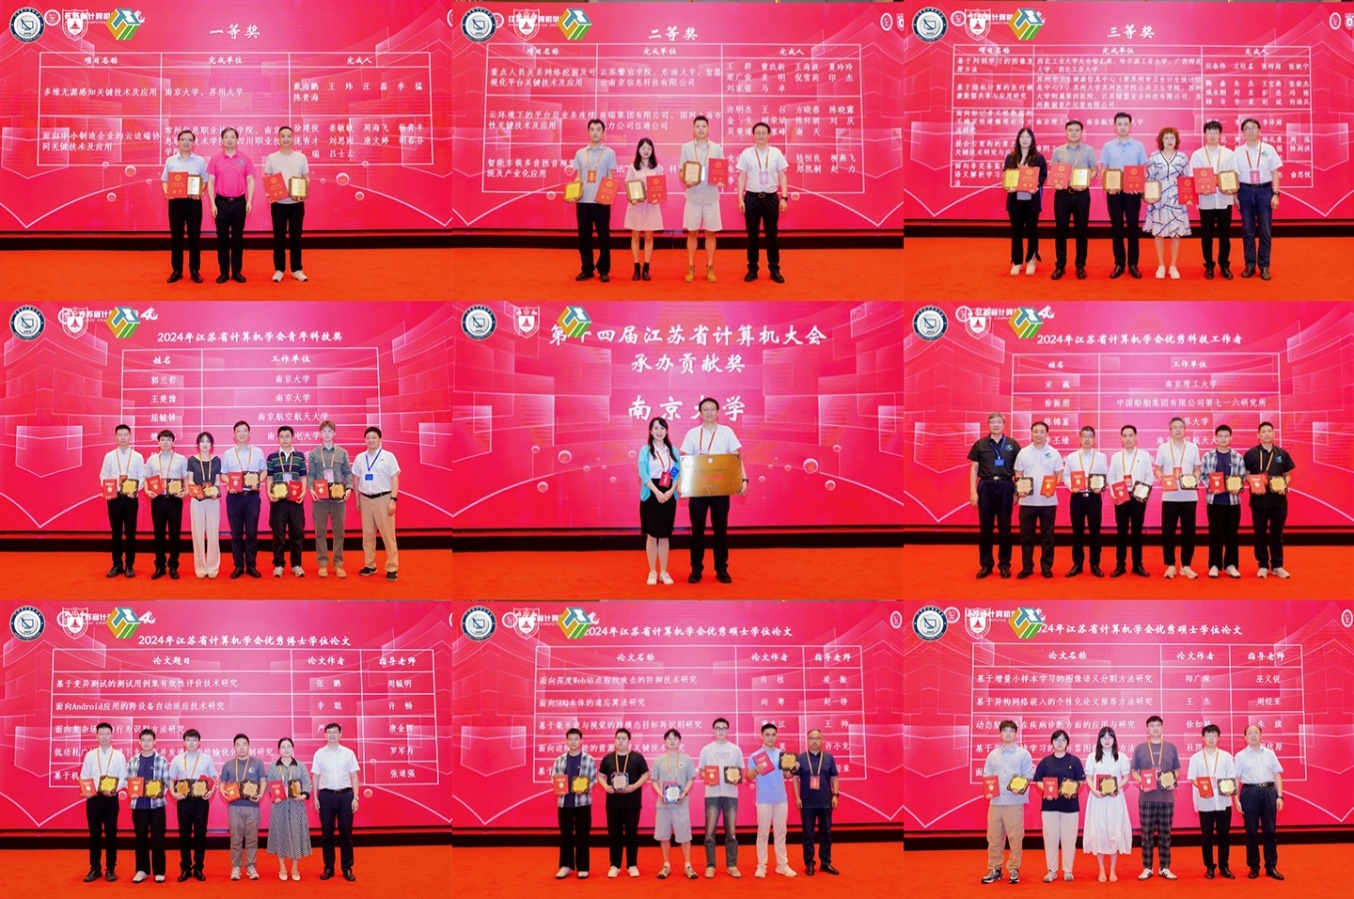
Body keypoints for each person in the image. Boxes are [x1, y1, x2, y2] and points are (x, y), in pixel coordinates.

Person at [679, 398, 746, 583]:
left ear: (718, 412)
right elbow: (685, 461)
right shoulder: (692, 433)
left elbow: (736, 458)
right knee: (697, 532)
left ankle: (721, 569)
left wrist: (744, 479)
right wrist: (680, 483)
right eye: (705, 409)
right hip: (698, 490)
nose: (709, 412)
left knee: (720, 532)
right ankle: (696, 570)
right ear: (700, 413)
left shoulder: (727, 432)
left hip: (720, 489)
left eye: (712, 409)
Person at [1227, 118, 1282, 280]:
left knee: (1265, 230)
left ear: (1259, 130)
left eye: (1253, 128)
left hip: (1265, 191)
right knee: (1248, 231)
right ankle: (1250, 264)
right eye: (1247, 128)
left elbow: (1274, 173)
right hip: (1244, 191)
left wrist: (1276, 194)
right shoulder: (1238, 152)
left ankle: (1264, 266)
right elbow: (1234, 175)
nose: (1250, 131)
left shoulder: (1269, 149)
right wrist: (1234, 196)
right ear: (1243, 132)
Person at [980, 719, 1033, 884]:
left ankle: (1014, 869)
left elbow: (1028, 775)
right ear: (1000, 734)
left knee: (1015, 838)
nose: (1008, 734)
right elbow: (987, 775)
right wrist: (988, 791)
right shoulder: (993, 755)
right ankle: (995, 869)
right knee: (994, 837)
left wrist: (1020, 787)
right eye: (1005, 731)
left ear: (1016, 734)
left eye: (1011, 731)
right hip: (995, 802)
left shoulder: (1023, 754)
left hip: (1014, 802)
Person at [736, 122, 789, 283]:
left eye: (763, 133)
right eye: (757, 133)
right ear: (753, 136)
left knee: (772, 236)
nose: (760, 136)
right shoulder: (746, 153)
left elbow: (782, 176)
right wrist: (740, 199)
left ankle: (774, 269)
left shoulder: (776, 153)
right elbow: (742, 177)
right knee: (752, 236)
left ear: (769, 135)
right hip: (751, 198)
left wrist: (784, 198)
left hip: (771, 198)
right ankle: (752, 269)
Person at [566, 118, 618, 282]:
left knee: (604, 237)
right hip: (583, 201)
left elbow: (610, 176)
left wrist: (607, 196)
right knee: (584, 238)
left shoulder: (609, 153)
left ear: (603, 132)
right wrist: (573, 192)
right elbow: (578, 176)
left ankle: (604, 270)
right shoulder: (580, 153)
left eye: (598, 129)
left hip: (601, 202)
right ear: (588, 132)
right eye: (592, 129)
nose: (595, 132)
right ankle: (587, 268)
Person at [968, 413, 1020, 579]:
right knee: (986, 527)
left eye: (999, 422)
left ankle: (1004, 564)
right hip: (986, 486)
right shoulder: (980, 444)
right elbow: (974, 468)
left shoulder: (1012, 444)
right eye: (992, 422)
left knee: (1005, 527)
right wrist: (973, 491)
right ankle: (986, 565)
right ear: (988, 424)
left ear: (1004, 424)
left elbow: (1019, 470)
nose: (996, 425)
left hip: (1006, 486)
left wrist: (1017, 491)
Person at [1131, 715, 1182, 880]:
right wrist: (1141, 781)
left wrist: (1172, 780)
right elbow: (1134, 771)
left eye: (1158, 725)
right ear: (1147, 729)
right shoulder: (1140, 748)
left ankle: (1164, 867)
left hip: (1166, 797)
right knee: (1146, 834)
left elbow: (1177, 770)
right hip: (1146, 797)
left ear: (1162, 728)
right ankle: (1147, 868)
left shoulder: (1171, 747)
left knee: (1165, 834)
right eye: (1152, 726)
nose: (1155, 728)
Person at [1244, 421, 1296, 579]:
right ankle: (1263, 565)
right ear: (1258, 435)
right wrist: (1254, 483)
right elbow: (1246, 475)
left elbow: (1288, 475)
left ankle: (1277, 565)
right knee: (1260, 534)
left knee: (1277, 535)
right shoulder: (1251, 453)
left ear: (1274, 433)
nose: (1266, 434)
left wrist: (1283, 485)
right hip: (1259, 502)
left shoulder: (1282, 454)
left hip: (1278, 502)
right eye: (1263, 431)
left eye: (1269, 431)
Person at [1100, 112, 1148, 279]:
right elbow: (1104, 169)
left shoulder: (1139, 146)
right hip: (1114, 194)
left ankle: (1133, 264)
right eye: (1119, 124)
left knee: (1133, 228)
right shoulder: (1108, 146)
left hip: (1132, 194)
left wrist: (1138, 185)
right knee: (1117, 229)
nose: (1122, 127)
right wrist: (1108, 185)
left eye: (1125, 124)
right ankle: (1119, 263)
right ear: (1115, 126)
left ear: (1130, 126)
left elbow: (1143, 168)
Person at [1187, 724, 1238, 879]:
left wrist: (1230, 788)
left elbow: (1232, 776)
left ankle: (1224, 866)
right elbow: (1192, 778)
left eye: (1214, 735)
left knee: (1224, 836)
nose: (1211, 738)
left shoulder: (1226, 756)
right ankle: (1209, 867)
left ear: (1218, 738)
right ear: (1203, 738)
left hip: (1223, 801)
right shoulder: (1196, 758)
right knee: (1207, 836)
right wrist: (1203, 787)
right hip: (1205, 802)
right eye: (1208, 735)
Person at [1032, 730, 1084, 882]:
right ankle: (1052, 870)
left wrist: (1073, 790)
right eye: (1056, 740)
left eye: (1063, 740)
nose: (1060, 743)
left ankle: (1068, 871)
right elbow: (1038, 780)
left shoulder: (1074, 761)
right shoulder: (1045, 762)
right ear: (1052, 743)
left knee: (1069, 839)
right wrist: (1046, 790)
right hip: (1049, 806)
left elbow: (1080, 781)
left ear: (1067, 743)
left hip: (1070, 806)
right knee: (1050, 839)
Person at [1153, 416, 1202, 579]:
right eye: (1175, 427)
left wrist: (1195, 478)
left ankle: (1186, 565)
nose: (1178, 430)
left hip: (1189, 496)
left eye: (1181, 427)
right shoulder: (1163, 448)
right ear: (1169, 431)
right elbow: (1158, 469)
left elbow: (1197, 468)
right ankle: (1171, 565)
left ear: (1185, 430)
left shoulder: (1193, 447)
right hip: (1170, 496)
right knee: (1168, 532)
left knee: (1189, 532)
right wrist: (1162, 478)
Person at [1013, 421, 1063, 579]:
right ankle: (1027, 567)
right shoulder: (1023, 453)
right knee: (1026, 536)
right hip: (1027, 502)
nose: (1038, 434)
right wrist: (1021, 488)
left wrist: (1053, 486)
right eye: (1035, 431)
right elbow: (1018, 473)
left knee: (1047, 537)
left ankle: (1046, 567)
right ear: (1031, 433)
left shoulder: (1054, 453)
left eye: (1042, 431)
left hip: (1048, 502)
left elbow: (1059, 473)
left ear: (1047, 434)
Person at [1049, 119, 1097, 280]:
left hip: (1081, 195)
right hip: (1062, 195)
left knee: (1081, 231)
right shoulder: (1058, 151)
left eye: (1077, 130)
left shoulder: (1088, 150)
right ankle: (1060, 265)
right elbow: (1053, 172)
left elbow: (1094, 170)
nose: (1074, 133)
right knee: (1060, 231)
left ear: (1081, 133)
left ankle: (1080, 265)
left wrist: (1086, 181)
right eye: (1070, 130)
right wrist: (1056, 182)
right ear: (1066, 132)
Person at [311, 723, 360, 881]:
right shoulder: (319, 754)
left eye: (335, 732)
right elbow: (316, 777)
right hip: (326, 796)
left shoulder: (348, 753)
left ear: (340, 734)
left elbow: (354, 776)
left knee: (346, 834)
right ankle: (328, 867)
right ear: (325, 735)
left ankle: (347, 868)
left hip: (346, 796)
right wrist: (315, 797)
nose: (332, 735)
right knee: (327, 834)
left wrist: (356, 797)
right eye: (329, 732)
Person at [206, 126, 255, 283]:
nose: (229, 140)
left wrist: (249, 201)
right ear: (222, 140)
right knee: (222, 239)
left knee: (237, 239)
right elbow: (210, 182)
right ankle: (223, 272)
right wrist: (212, 204)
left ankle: (237, 272)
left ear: (237, 140)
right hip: (221, 203)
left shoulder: (245, 158)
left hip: (239, 203)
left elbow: (250, 180)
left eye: (232, 137)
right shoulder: (215, 159)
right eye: (226, 137)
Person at [1082, 726, 1132, 882]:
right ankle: (1101, 870)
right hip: (1098, 799)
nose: (1107, 740)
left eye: (1110, 737)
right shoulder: (1092, 757)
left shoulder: (1121, 757)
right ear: (1099, 740)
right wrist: (1094, 790)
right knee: (1099, 832)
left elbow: (1126, 777)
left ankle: (1113, 870)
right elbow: (1089, 777)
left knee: (1114, 831)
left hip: (1115, 799)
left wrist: (1119, 787)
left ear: (1115, 739)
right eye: (1104, 737)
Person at [599, 727, 650, 877]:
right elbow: (600, 776)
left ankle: (632, 864)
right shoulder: (608, 758)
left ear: (629, 741)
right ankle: (615, 865)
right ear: (614, 741)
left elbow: (646, 774)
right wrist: (606, 787)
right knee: (614, 834)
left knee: (631, 834)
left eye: (623, 738)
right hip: (613, 804)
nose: (620, 741)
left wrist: (634, 786)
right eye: (618, 738)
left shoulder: (637, 757)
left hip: (632, 803)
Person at [1235, 724, 1284, 880]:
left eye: (1256, 732)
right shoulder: (1240, 756)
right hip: (1249, 793)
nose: (1253, 735)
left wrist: (1280, 796)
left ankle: (1271, 866)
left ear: (1261, 735)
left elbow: (1277, 775)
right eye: (1250, 733)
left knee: (1270, 831)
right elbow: (1236, 778)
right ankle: (1254, 867)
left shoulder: (1270, 753)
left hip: (1269, 792)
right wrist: (1235, 799)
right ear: (1245, 737)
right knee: (1251, 831)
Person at [1189, 121, 1237, 279]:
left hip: (1224, 199)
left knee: (1225, 235)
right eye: (1209, 132)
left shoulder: (1229, 154)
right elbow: (1192, 177)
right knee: (1206, 235)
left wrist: (1232, 189)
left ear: (1220, 135)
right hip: (1206, 201)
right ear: (1204, 134)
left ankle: (1224, 265)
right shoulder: (1197, 155)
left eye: (1215, 132)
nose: (1212, 135)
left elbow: (1234, 174)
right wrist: (1199, 188)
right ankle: (1209, 265)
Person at [81, 722, 128, 882]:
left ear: (112, 735)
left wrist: (115, 789)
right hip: (94, 799)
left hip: (111, 799)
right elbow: (84, 776)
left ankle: (111, 868)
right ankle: (95, 868)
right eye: (101, 734)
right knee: (94, 834)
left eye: (107, 734)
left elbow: (123, 778)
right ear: (96, 736)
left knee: (111, 834)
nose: (104, 737)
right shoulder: (90, 756)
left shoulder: (119, 756)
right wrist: (87, 790)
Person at [167, 728, 216, 882]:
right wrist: (173, 794)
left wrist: (211, 791)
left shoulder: (207, 759)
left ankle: (199, 868)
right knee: (184, 835)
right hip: (183, 801)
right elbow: (171, 780)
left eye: (194, 740)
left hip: (201, 801)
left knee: (200, 835)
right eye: (188, 740)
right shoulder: (177, 759)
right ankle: (185, 868)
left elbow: (214, 779)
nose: (191, 743)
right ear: (184, 742)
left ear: (199, 742)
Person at [1143, 127, 1192, 279]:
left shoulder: (1182, 158)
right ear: (1161, 141)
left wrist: (1188, 196)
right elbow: (1149, 179)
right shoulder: (1154, 157)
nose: (1170, 141)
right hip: (1158, 199)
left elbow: (1187, 180)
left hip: (1177, 199)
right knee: (1159, 232)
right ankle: (1161, 265)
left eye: (1172, 138)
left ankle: (1173, 265)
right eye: (1166, 138)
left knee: (1176, 232)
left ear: (1176, 141)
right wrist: (1148, 196)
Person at [680, 115, 724, 282]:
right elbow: (681, 170)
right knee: (692, 233)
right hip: (693, 197)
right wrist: (685, 180)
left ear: (708, 128)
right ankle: (691, 267)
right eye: (697, 126)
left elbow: (721, 170)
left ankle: (710, 267)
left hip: (711, 196)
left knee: (710, 233)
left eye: (703, 126)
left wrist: (720, 180)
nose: (700, 129)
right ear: (693, 129)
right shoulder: (686, 148)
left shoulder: (716, 148)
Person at [748, 722, 796, 878]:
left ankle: (782, 865)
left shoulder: (782, 754)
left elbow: (787, 775)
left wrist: (793, 769)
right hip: (763, 800)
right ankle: (761, 866)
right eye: (767, 735)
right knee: (763, 833)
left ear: (777, 736)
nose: (770, 738)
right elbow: (748, 776)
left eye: (773, 735)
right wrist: (756, 771)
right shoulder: (755, 756)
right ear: (762, 736)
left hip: (781, 799)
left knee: (781, 832)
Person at [307, 420, 353, 578]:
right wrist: (311, 489)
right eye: (324, 431)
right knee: (320, 533)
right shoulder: (314, 453)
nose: (327, 434)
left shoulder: (342, 453)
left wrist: (349, 488)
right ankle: (323, 564)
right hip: (320, 499)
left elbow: (347, 473)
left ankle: (338, 564)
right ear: (320, 434)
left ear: (334, 433)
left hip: (338, 499)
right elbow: (311, 474)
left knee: (339, 533)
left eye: (329, 431)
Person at [218, 733, 267, 881]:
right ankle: (236, 867)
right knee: (235, 839)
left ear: (249, 746)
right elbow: (222, 783)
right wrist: (222, 791)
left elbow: (263, 781)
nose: (241, 748)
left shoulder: (257, 763)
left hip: (253, 807)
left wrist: (261, 794)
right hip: (234, 806)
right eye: (238, 745)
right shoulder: (228, 764)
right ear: (234, 747)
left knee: (252, 839)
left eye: (244, 744)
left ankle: (251, 866)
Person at [220, 420, 266, 578]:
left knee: (252, 533)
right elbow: (223, 474)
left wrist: (258, 481)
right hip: (235, 498)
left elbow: (264, 470)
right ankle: (238, 565)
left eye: (245, 431)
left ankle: (251, 566)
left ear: (249, 433)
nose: (242, 434)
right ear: (234, 434)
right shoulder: (228, 454)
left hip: (252, 497)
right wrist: (229, 484)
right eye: (238, 431)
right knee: (236, 534)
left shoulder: (258, 452)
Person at [264, 125, 310, 281]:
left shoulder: (301, 158)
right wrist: (270, 192)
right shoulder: (272, 158)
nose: (286, 139)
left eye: (289, 136)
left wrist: (303, 193)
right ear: (278, 139)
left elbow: (306, 177)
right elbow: (268, 177)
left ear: (293, 138)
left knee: (296, 237)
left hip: (296, 204)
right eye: (282, 136)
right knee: (279, 238)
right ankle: (279, 269)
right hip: (278, 204)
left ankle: (297, 269)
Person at [161, 129, 208, 283]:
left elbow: (205, 180)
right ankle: (177, 270)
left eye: (189, 140)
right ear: (178, 142)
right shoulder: (171, 161)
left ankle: (195, 270)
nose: (186, 142)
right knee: (176, 237)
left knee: (195, 237)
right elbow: (165, 180)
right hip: (176, 203)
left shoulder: (200, 161)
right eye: (183, 139)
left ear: (193, 143)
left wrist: (199, 192)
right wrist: (167, 192)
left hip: (193, 203)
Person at [699, 717, 743, 878]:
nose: (721, 731)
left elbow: (740, 770)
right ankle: (710, 865)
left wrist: (736, 778)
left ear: (728, 730)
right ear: (713, 730)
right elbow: (702, 770)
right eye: (718, 728)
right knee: (710, 833)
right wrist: (707, 778)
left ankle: (732, 865)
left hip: (731, 795)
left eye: (724, 728)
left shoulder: (735, 749)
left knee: (731, 833)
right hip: (712, 795)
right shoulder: (706, 749)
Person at [652, 728, 699, 880]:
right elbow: (654, 781)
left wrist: (684, 792)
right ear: (664, 742)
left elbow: (691, 779)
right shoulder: (659, 760)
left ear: (680, 741)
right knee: (664, 836)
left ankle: (688, 866)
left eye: (675, 738)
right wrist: (661, 794)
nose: (672, 741)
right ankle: (666, 865)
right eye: (669, 738)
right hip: (663, 805)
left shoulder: (687, 759)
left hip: (681, 804)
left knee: (685, 836)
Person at [1107, 425, 1153, 577]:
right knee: (1121, 532)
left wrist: (1142, 493)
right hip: (1121, 499)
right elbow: (1111, 477)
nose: (1128, 439)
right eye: (1125, 436)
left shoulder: (1144, 455)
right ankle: (1120, 565)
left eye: (1130, 435)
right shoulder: (1116, 457)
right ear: (1121, 438)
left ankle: (1137, 565)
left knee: (1137, 532)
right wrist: (1115, 494)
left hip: (1138, 499)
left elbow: (1149, 477)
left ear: (1136, 437)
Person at [99, 424, 145, 578]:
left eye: (126, 435)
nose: (123, 437)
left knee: (130, 533)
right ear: (115, 437)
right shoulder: (109, 456)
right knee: (116, 532)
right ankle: (117, 564)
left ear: (130, 436)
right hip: (115, 499)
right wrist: (108, 490)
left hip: (131, 499)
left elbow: (142, 477)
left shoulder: (137, 457)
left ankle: (130, 565)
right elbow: (103, 475)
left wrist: (135, 490)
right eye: (120, 435)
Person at [1200, 424, 1246, 578]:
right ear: (1215, 438)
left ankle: (1231, 565)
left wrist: (1237, 487)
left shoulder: (1237, 457)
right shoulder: (1208, 456)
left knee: (1232, 534)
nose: (1223, 439)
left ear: (1231, 438)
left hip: (1233, 502)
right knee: (1215, 534)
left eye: (1226, 436)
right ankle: (1214, 565)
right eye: (1220, 436)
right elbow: (1203, 476)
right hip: (1214, 502)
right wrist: (1211, 486)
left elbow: (1242, 477)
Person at [638, 416, 679, 585]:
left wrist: (671, 491)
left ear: (666, 431)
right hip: (651, 493)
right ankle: (652, 572)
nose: (659, 431)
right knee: (652, 534)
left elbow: (677, 471)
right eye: (655, 428)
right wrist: (656, 492)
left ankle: (663, 571)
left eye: (662, 428)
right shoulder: (645, 450)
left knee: (664, 535)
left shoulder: (673, 450)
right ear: (650, 431)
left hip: (669, 492)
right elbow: (643, 473)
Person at [355, 426, 400, 581]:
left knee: (388, 535)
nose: (371, 440)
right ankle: (370, 565)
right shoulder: (360, 458)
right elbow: (356, 479)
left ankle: (392, 567)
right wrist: (357, 499)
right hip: (365, 499)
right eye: (368, 438)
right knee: (367, 535)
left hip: (383, 499)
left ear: (380, 439)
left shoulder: (388, 457)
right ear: (364, 440)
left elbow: (395, 479)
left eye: (374, 437)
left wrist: (393, 500)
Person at [793, 729, 840, 876]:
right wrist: (797, 797)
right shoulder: (800, 758)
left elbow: (834, 777)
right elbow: (795, 779)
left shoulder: (829, 758)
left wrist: (835, 795)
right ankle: (809, 863)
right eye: (812, 738)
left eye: (817, 738)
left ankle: (825, 862)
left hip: (825, 802)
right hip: (807, 803)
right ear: (807, 740)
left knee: (826, 833)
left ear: (822, 740)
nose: (814, 741)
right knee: (808, 834)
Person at [1063, 425, 1108, 577]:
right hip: (1077, 498)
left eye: (1090, 436)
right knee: (1077, 532)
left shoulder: (1101, 457)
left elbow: (1105, 475)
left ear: (1094, 439)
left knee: (1095, 532)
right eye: (1084, 436)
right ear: (1080, 438)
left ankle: (1095, 564)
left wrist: (1100, 486)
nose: (1087, 439)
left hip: (1094, 498)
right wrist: (1072, 486)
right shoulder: (1072, 457)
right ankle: (1077, 564)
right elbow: (1066, 476)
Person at [552, 727, 597, 879]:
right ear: (566, 741)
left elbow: (593, 779)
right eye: (570, 739)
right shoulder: (559, 760)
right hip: (565, 803)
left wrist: (584, 788)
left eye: (576, 739)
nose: (573, 742)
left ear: (581, 741)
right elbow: (554, 778)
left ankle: (583, 867)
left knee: (583, 835)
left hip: (583, 803)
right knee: (565, 834)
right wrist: (559, 788)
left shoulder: (589, 759)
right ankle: (565, 866)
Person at [1003, 127, 1047, 276]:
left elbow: (1043, 176)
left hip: (1031, 201)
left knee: (1032, 231)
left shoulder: (1038, 158)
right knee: (1016, 231)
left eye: (1028, 137)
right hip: (1015, 201)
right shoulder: (1011, 158)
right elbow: (1006, 175)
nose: (1025, 140)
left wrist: (1037, 184)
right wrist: (1008, 186)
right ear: (1018, 139)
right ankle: (1017, 262)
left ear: (1032, 140)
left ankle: (1031, 260)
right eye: (1022, 137)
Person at [267, 738, 313, 881]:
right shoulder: (273, 766)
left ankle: (294, 868)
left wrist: (303, 796)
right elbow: (269, 785)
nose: (286, 749)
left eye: (288, 746)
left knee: (296, 836)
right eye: (283, 747)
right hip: (279, 806)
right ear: (279, 750)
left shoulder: (300, 765)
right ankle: (282, 868)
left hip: (296, 807)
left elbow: (307, 783)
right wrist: (274, 796)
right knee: (280, 836)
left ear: (293, 748)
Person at [128, 728, 171, 883]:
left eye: (149, 740)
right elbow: (128, 780)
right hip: (139, 805)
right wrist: (131, 791)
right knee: (140, 839)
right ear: (139, 742)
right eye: (144, 740)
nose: (146, 743)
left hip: (157, 805)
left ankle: (159, 871)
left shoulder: (162, 760)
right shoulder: (133, 761)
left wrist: (159, 792)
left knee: (158, 838)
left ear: (154, 742)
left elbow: (166, 782)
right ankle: (142, 870)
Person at [266, 425, 308, 577]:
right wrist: (269, 493)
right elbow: (269, 478)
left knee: (297, 533)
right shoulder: (272, 457)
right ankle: (279, 565)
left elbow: (303, 476)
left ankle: (296, 564)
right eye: (282, 436)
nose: (284, 439)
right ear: (278, 438)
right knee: (278, 534)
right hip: (278, 501)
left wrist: (303, 491)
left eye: (287, 436)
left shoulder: (300, 456)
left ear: (293, 438)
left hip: (295, 500)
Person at [146, 429, 187, 580]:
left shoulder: (181, 459)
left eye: (169, 440)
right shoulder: (152, 460)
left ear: (173, 442)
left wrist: (186, 491)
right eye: (163, 439)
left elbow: (186, 478)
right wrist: (147, 490)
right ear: (158, 442)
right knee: (159, 534)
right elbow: (146, 478)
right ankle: (160, 566)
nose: (166, 442)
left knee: (174, 534)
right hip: (158, 500)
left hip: (174, 500)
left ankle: (174, 566)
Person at [624, 138, 663, 281]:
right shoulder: (633, 167)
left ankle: (646, 267)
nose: (646, 151)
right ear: (638, 150)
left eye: (649, 148)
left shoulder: (657, 167)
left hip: (651, 205)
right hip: (636, 206)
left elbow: (660, 187)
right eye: (643, 148)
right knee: (635, 236)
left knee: (648, 237)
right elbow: (627, 185)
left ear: (652, 151)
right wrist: (631, 198)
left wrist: (657, 198)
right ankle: (636, 267)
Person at [186, 432, 222, 578]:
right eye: (202, 441)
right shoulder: (192, 460)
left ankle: (213, 567)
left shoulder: (217, 460)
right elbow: (190, 480)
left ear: (211, 444)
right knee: (197, 534)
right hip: (197, 500)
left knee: (213, 534)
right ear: (198, 444)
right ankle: (200, 567)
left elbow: (217, 481)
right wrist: (197, 492)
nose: (205, 444)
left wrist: (215, 491)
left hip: (213, 500)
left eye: (208, 441)